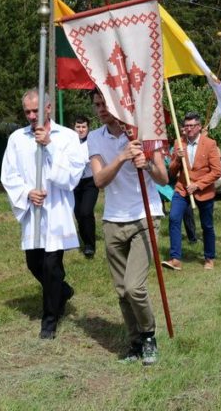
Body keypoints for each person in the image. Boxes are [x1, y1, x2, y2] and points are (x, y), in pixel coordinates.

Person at [87, 90, 168, 366]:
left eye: (104, 104)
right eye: (96, 105)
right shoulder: (95, 138)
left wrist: (147, 166)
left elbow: (163, 177)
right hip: (113, 219)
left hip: (145, 217)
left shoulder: (143, 133)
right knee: (121, 290)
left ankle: (149, 337)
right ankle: (134, 343)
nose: (100, 109)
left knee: (134, 287)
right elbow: (99, 180)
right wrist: (121, 157)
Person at [1, 90, 85, 339]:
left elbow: (71, 176)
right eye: (27, 111)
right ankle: (62, 290)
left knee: (51, 265)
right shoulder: (17, 138)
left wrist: (49, 146)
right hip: (33, 209)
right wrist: (27, 192)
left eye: (35, 111)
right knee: (34, 263)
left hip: (56, 208)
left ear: (48, 109)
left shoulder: (67, 137)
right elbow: (9, 173)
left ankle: (49, 320)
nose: (31, 116)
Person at [162, 112, 221, 271]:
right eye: (186, 126)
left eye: (191, 126)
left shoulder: (210, 144)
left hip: (204, 191)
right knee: (174, 218)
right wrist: (176, 159)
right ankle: (175, 258)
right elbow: (172, 172)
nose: (188, 129)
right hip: (182, 189)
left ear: (199, 127)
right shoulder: (178, 143)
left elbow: (217, 171)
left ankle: (209, 257)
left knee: (207, 225)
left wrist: (198, 185)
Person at [73, 115, 100, 258]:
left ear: (88, 128)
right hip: (75, 182)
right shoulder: (70, 142)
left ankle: (90, 245)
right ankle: (84, 240)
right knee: (78, 214)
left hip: (90, 181)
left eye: (83, 127)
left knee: (86, 212)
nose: (81, 130)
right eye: (78, 127)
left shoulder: (92, 141)